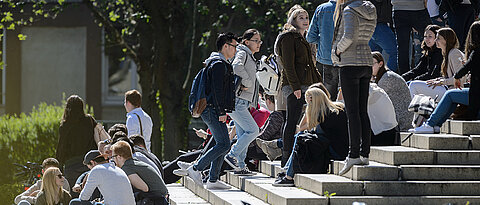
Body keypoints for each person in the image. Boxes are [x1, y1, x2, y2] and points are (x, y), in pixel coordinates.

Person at [180, 32, 237, 190]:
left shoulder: (216, 62)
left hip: (212, 109)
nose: (236, 50)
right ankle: (196, 168)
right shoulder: (218, 64)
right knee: (224, 144)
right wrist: (221, 112)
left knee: (222, 143)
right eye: (234, 46)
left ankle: (213, 179)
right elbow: (217, 91)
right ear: (226, 46)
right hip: (212, 109)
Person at [332, 0, 376, 176]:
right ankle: (365, 153)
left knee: (352, 112)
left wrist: (337, 50)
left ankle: (353, 154)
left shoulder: (350, 10)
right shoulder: (370, 9)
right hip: (366, 61)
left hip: (350, 63)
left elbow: (348, 36)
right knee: (362, 111)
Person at [411, 21, 480, 133]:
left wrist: (449, 80)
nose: (435, 41)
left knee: (450, 94)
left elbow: (462, 72)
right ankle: (436, 125)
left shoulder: (460, 53)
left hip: (475, 94)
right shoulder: (449, 54)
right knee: (452, 96)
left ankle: (429, 124)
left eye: (438, 38)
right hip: (473, 92)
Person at [273, 87, 349, 186]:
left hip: (336, 150)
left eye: (309, 102)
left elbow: (306, 128)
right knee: (300, 136)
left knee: (301, 139)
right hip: (335, 146)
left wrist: (309, 108)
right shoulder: (333, 108)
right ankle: (287, 172)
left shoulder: (325, 113)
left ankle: (289, 176)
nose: (308, 105)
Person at [277, 5, 322, 166]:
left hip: (307, 84)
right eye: (300, 18)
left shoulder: (305, 39)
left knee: (310, 117)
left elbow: (310, 64)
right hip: (294, 85)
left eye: (306, 17)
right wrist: (295, 87)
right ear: (293, 20)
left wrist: (319, 83)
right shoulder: (289, 37)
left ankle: (302, 152)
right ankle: (286, 157)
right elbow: (288, 65)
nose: (305, 20)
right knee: (292, 120)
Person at [224, 29, 262, 175]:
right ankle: (231, 155)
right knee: (253, 130)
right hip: (237, 102)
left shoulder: (249, 55)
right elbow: (236, 66)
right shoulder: (243, 53)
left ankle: (240, 165)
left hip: (241, 102)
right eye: (256, 40)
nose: (259, 44)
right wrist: (247, 81)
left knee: (243, 134)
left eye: (260, 41)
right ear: (247, 42)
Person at [409, 28, 467, 101]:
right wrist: (437, 80)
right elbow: (449, 77)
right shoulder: (446, 53)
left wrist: (441, 82)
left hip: (452, 90)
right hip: (446, 88)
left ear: (446, 40)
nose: (436, 40)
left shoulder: (454, 53)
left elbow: (460, 78)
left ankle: (411, 111)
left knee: (413, 85)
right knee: (414, 84)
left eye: (438, 38)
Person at [56, 95, 98, 193]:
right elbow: (97, 133)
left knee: (73, 194)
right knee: (90, 194)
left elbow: (61, 148)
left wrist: (59, 166)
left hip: (71, 166)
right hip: (89, 164)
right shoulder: (89, 120)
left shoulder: (65, 125)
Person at [70, 150, 136, 205]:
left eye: (89, 167)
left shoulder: (96, 170)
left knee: (74, 202)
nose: (89, 170)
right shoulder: (118, 169)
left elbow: (84, 197)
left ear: (92, 162)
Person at [372, 52, 413, 131]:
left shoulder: (387, 78)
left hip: (401, 121)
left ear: (380, 64)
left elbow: (373, 99)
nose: (369, 67)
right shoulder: (384, 76)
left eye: (372, 64)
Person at [307, 0, 339, 101]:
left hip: (325, 59)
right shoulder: (349, 8)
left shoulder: (321, 9)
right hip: (346, 59)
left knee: (328, 99)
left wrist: (323, 40)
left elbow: (310, 37)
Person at [391, 0, 432, 74]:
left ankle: (404, 76)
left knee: (402, 47)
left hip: (400, 9)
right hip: (417, 9)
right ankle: (433, 69)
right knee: (433, 38)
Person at [368, 0, 398, 72]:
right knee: (395, 53)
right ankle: (388, 77)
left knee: (374, 56)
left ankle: (374, 78)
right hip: (380, 25)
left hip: (371, 25)